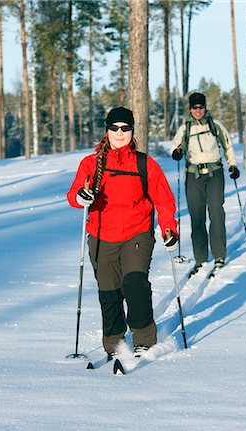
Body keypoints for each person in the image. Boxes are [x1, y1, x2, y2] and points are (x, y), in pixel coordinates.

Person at [67, 106, 178, 358]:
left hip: (136, 233)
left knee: (135, 283)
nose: (120, 132)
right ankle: (114, 341)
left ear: (132, 131)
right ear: (107, 131)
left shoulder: (144, 163)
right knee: (109, 291)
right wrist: (81, 197)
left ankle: (144, 338)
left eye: (125, 128)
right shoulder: (91, 164)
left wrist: (169, 227)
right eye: (115, 127)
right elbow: (73, 195)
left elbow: (164, 200)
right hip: (100, 234)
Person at [170, 92, 240, 277]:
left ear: (205, 108)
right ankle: (200, 258)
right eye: (195, 107)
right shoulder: (185, 128)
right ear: (190, 109)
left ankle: (219, 255)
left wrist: (232, 164)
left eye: (201, 107)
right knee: (197, 216)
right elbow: (176, 146)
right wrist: (176, 152)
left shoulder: (214, 125)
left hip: (215, 173)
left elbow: (227, 145)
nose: (198, 111)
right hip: (194, 176)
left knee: (216, 212)